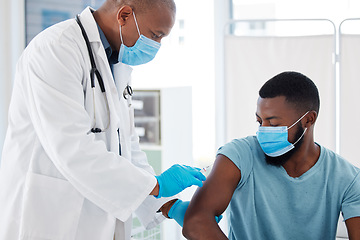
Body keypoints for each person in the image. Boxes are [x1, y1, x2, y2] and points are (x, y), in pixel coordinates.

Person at [0, 0, 206, 239]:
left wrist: (168, 204)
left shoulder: (115, 62)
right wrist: (156, 185)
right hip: (49, 220)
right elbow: (73, 150)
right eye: (155, 35)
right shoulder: (56, 49)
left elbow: (126, 150)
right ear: (125, 15)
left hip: (96, 221)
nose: (157, 45)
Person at [183, 71, 360, 240]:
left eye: (273, 124)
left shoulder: (347, 178)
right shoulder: (239, 155)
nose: (263, 131)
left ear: (308, 120)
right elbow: (196, 223)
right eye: (260, 121)